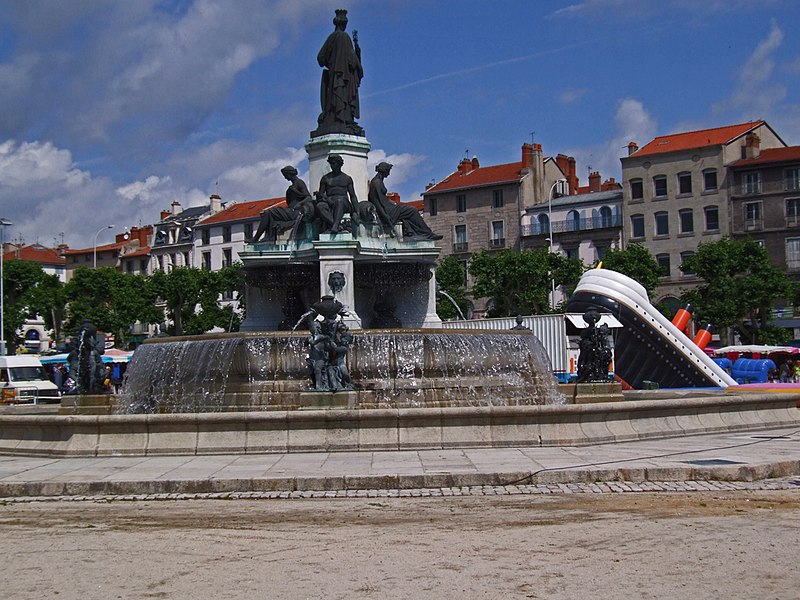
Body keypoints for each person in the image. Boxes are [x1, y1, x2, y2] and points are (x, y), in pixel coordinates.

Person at [313, 9, 363, 136]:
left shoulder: (331, 38)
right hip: (344, 79)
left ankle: (338, 118)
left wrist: (331, 64)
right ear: (343, 24)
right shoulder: (345, 38)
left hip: (334, 79)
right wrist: (357, 55)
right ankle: (344, 119)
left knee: (335, 100)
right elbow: (353, 62)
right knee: (343, 99)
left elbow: (320, 58)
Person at [367, 162, 443, 241]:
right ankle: (427, 234)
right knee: (412, 210)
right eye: (388, 171)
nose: (389, 174)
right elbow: (376, 202)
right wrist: (385, 216)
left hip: (389, 207)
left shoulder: (378, 181)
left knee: (408, 212)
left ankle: (412, 233)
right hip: (387, 210)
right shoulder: (376, 183)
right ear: (384, 170)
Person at [250, 166, 315, 243]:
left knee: (268, 213)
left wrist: (299, 204)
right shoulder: (293, 185)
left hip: (295, 212)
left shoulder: (300, 183)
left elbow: (308, 198)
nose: (285, 177)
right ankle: (267, 237)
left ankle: (256, 238)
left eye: (285, 175)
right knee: (267, 213)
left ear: (289, 174)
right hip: (290, 211)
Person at [317, 154, 358, 234]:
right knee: (319, 206)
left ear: (340, 164)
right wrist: (322, 197)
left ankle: (335, 226)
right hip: (329, 201)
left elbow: (352, 196)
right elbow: (321, 195)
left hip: (344, 203)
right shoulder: (325, 178)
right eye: (331, 163)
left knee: (339, 201)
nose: (332, 166)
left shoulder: (347, 178)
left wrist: (357, 211)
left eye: (334, 163)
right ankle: (337, 226)